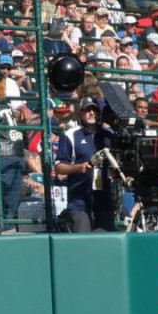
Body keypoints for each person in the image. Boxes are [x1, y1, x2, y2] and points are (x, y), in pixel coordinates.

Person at [53, 97, 116, 232]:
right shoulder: (71, 135)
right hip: (79, 202)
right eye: (87, 110)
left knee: (108, 244)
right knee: (84, 245)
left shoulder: (108, 135)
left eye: (94, 110)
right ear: (80, 113)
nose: (91, 113)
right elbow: (58, 167)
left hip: (104, 201)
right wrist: (79, 167)